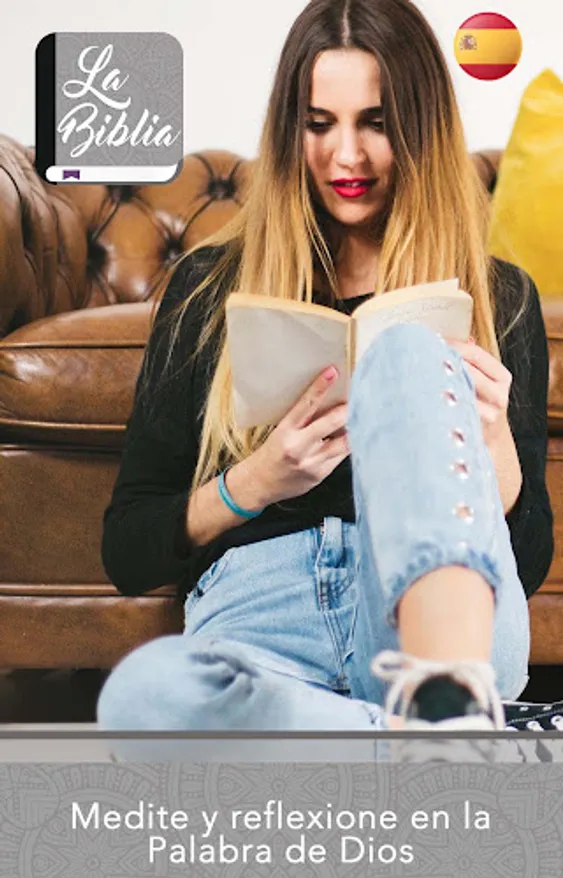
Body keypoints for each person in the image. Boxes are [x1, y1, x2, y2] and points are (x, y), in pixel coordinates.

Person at [97, 0, 559, 748]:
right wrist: (255, 482)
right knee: (143, 694)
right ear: (291, 132)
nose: (347, 155)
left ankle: (430, 706)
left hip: (432, 624)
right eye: (319, 124)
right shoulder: (208, 289)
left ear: (420, 129)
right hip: (261, 622)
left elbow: (526, 566)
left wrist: (495, 448)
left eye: (376, 123)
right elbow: (127, 550)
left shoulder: (497, 295)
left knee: (407, 351)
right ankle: (444, 744)